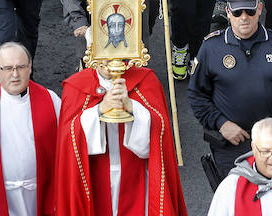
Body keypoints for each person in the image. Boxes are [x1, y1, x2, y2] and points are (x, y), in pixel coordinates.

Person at [189, 0, 272, 180]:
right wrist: (221, 124)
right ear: (228, 12)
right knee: (234, 204)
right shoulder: (211, 48)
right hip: (229, 143)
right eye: (238, 13)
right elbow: (197, 95)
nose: (244, 18)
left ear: (260, 8)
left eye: (250, 10)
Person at [54, 62, 188, 215]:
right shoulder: (76, 85)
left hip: (136, 177)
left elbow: (160, 128)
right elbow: (68, 136)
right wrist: (99, 110)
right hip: (96, 178)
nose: (108, 61)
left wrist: (131, 106)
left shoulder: (145, 79)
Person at [0, 42, 61, 216]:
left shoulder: (51, 100)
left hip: (40, 191)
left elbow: (68, 146)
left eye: (21, 67)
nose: (15, 74)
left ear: (30, 68)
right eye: (7, 68)